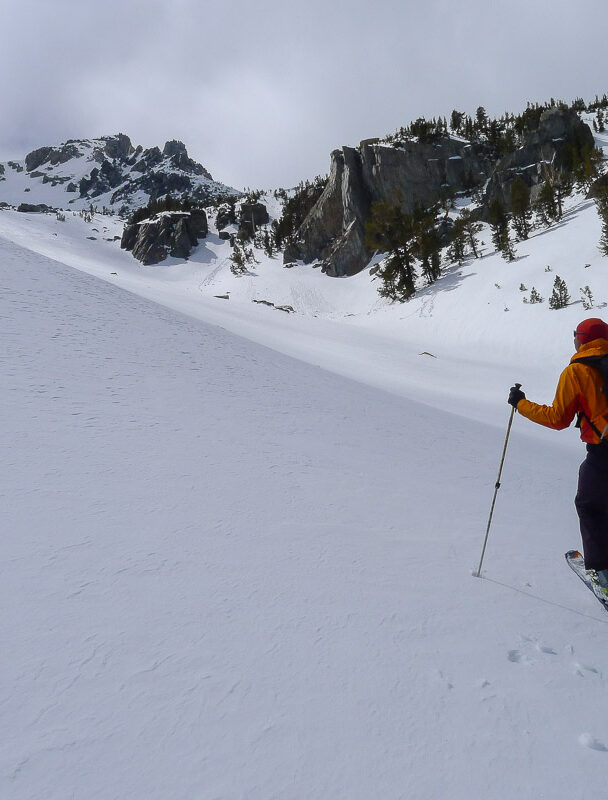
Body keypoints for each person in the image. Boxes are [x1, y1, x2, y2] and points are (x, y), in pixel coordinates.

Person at [508, 318, 608, 593]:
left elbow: (557, 418)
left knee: (590, 506)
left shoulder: (576, 371)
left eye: (575, 335)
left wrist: (521, 404)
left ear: (582, 339)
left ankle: (602, 575)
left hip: (602, 455)